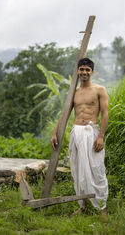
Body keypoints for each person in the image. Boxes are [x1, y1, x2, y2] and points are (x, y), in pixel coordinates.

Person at [50, 57, 109, 215]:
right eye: (81, 69)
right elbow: (65, 115)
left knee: (96, 170)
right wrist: (55, 133)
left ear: (92, 72)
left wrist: (101, 136)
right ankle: (82, 207)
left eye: (87, 70)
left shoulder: (99, 90)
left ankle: (102, 209)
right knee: (78, 171)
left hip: (91, 132)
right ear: (77, 71)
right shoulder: (74, 93)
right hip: (77, 132)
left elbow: (105, 114)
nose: (84, 72)